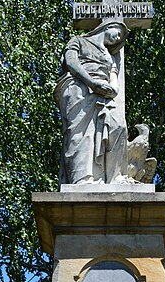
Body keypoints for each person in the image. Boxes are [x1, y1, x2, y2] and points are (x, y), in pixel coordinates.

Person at [54, 20, 129, 185]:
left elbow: (113, 79)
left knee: (118, 126)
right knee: (81, 134)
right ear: (106, 27)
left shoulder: (110, 56)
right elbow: (71, 62)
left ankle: (115, 177)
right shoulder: (79, 41)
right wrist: (91, 82)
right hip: (78, 87)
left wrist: (111, 89)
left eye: (119, 39)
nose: (117, 39)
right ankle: (83, 179)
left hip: (103, 94)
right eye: (117, 33)